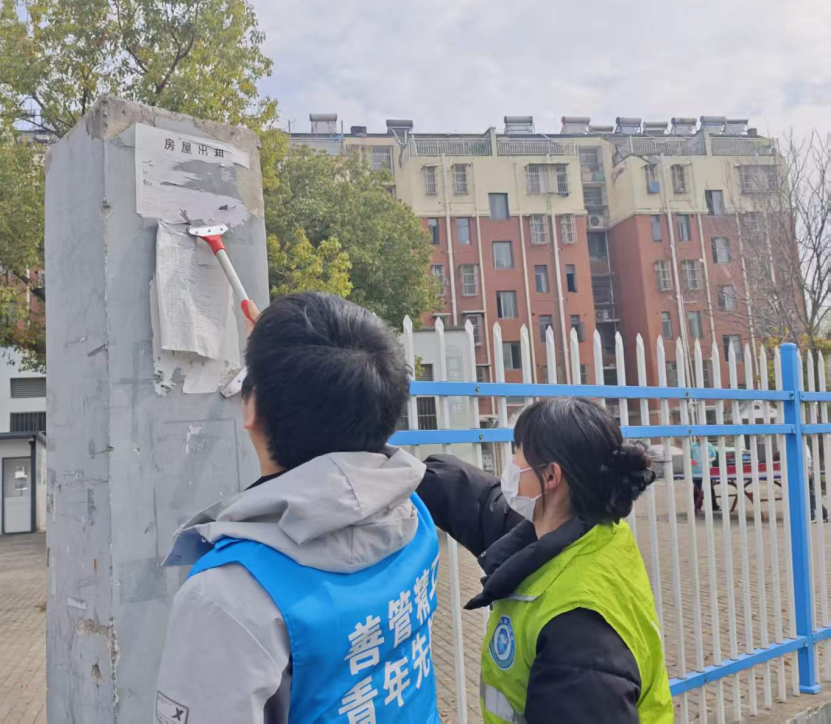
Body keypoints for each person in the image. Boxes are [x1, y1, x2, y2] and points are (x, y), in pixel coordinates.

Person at [156, 292, 442, 723]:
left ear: (251, 407)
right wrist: (293, 358)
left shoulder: (227, 598)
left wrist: (283, 363)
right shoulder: (412, 516)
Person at [417, 397, 674, 723]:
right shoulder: (597, 533)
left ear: (551, 476)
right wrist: (413, 473)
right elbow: (484, 503)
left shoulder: (577, 632)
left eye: (517, 454)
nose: (510, 465)